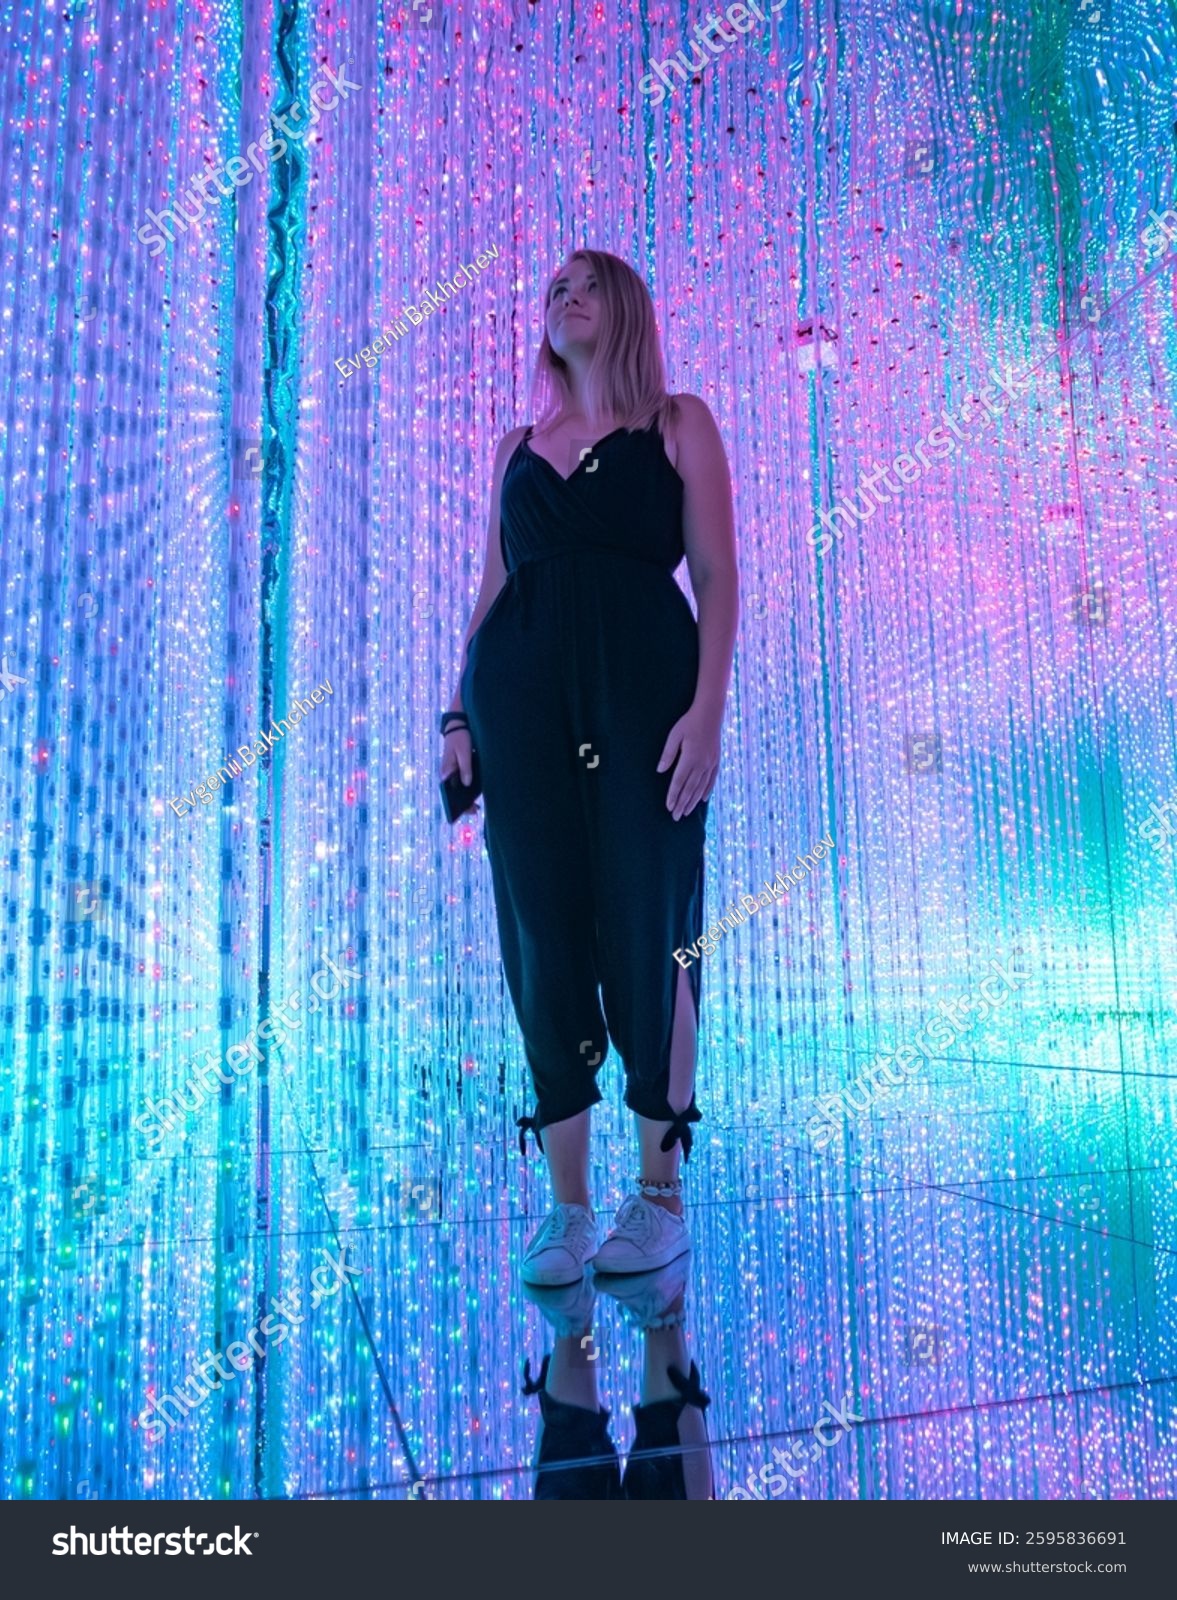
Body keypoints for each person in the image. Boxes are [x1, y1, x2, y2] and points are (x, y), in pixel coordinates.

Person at [440, 248, 738, 1283]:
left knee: (649, 922)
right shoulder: (514, 447)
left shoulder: (677, 424)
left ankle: (657, 1194)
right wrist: (454, 715)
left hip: (645, 702)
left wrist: (707, 711)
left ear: (625, 308)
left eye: (586, 282)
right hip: (516, 709)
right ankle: (566, 1207)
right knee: (540, 929)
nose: (562, 294)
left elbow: (715, 574)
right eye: (553, 285)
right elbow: (490, 589)